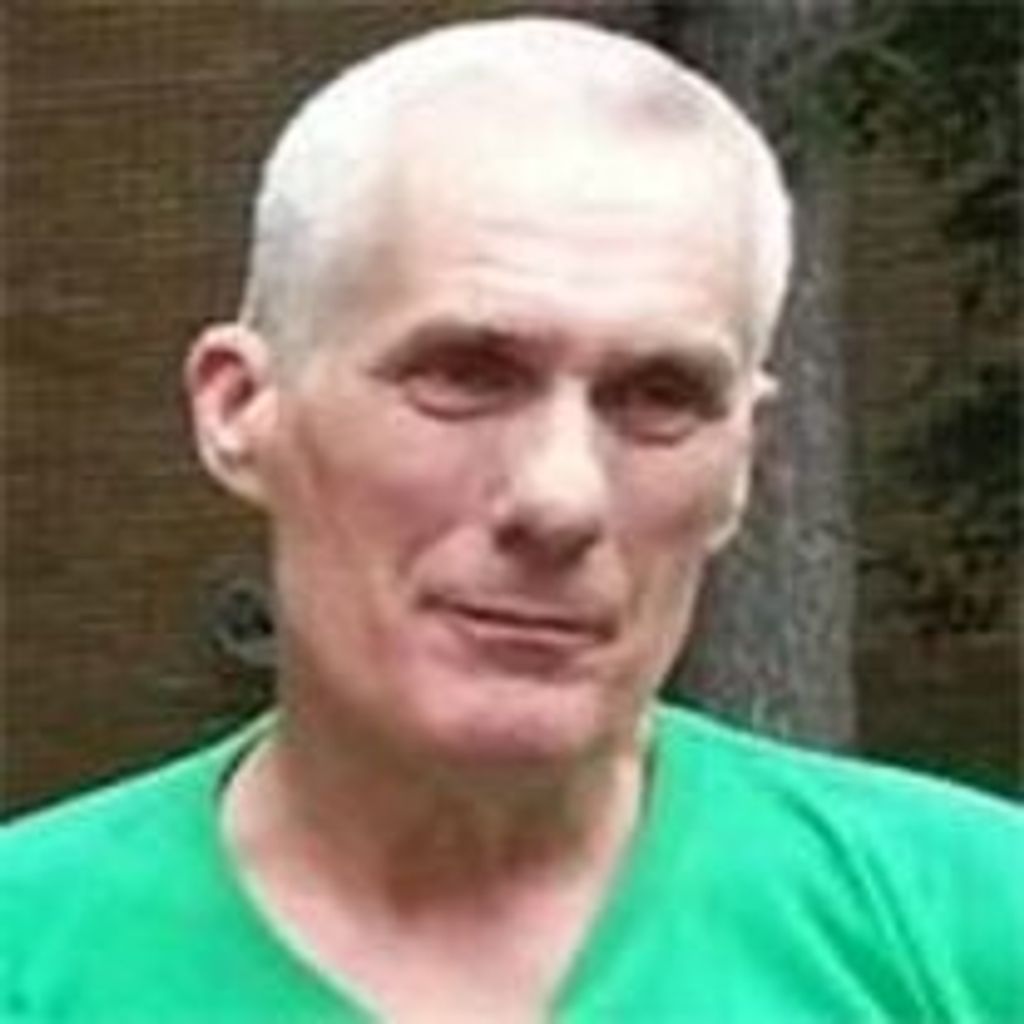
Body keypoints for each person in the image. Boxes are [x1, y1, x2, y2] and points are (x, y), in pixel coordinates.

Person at [2, 17, 1021, 1024]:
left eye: (659, 395)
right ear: (239, 409)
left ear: (742, 459)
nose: (560, 497)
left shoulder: (973, 928)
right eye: (464, 375)